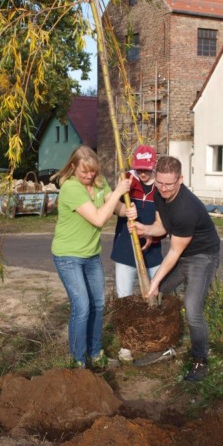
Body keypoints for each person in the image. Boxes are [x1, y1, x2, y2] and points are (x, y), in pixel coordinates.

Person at [128, 156, 220, 381]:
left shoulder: (186, 207)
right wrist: (146, 229)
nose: (164, 188)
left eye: (169, 184)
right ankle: (164, 347)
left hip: (202, 257)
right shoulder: (160, 194)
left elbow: (174, 252)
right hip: (183, 254)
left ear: (181, 179)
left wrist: (155, 280)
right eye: (159, 183)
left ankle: (200, 361)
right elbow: (162, 225)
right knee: (159, 297)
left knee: (192, 309)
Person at [51, 145, 131, 368]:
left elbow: (114, 209)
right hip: (68, 256)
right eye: (84, 171)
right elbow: (97, 219)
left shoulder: (99, 182)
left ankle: (96, 354)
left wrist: (127, 211)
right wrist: (117, 192)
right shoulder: (70, 188)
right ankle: (78, 361)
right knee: (82, 306)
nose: (89, 176)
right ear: (74, 166)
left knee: (98, 303)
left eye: (93, 171)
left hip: (91, 254)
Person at [111, 144, 163, 298]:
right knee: (124, 298)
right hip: (125, 248)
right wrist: (124, 209)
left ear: (154, 165)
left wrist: (150, 231)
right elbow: (113, 205)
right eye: (139, 169)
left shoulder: (161, 185)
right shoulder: (127, 178)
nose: (142, 173)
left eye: (146, 169)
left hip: (152, 250)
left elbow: (164, 222)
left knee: (156, 295)